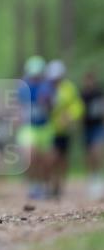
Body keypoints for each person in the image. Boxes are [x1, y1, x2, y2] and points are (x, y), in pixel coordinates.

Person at [45, 59, 84, 199]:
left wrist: (70, 116)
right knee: (52, 158)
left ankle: (59, 185)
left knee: (63, 159)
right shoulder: (47, 88)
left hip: (65, 130)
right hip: (50, 130)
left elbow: (78, 106)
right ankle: (50, 184)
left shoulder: (69, 88)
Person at [16, 56, 53, 199]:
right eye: (33, 74)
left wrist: (47, 102)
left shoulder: (47, 86)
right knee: (30, 155)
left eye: (38, 74)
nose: (35, 77)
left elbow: (51, 106)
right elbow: (18, 105)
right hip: (28, 127)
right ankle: (33, 185)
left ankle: (44, 185)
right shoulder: (22, 86)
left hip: (44, 127)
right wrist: (17, 116)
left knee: (45, 161)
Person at [80, 70, 104, 201]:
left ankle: (98, 177)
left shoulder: (98, 93)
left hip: (97, 126)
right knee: (89, 154)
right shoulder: (82, 95)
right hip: (86, 127)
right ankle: (90, 177)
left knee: (97, 150)